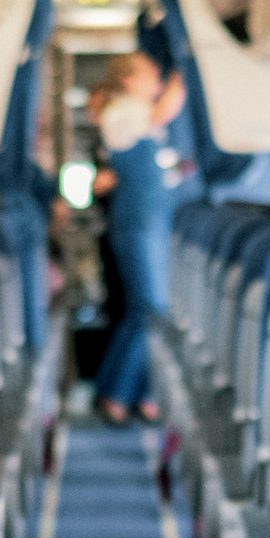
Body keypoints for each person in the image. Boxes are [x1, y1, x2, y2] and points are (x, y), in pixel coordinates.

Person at [89, 52, 187, 424]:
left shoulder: (135, 114)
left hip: (151, 221)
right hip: (138, 222)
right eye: (151, 74)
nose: (157, 81)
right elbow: (164, 110)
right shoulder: (122, 112)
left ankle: (129, 393)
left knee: (145, 310)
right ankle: (120, 394)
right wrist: (186, 64)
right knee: (149, 308)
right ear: (128, 80)